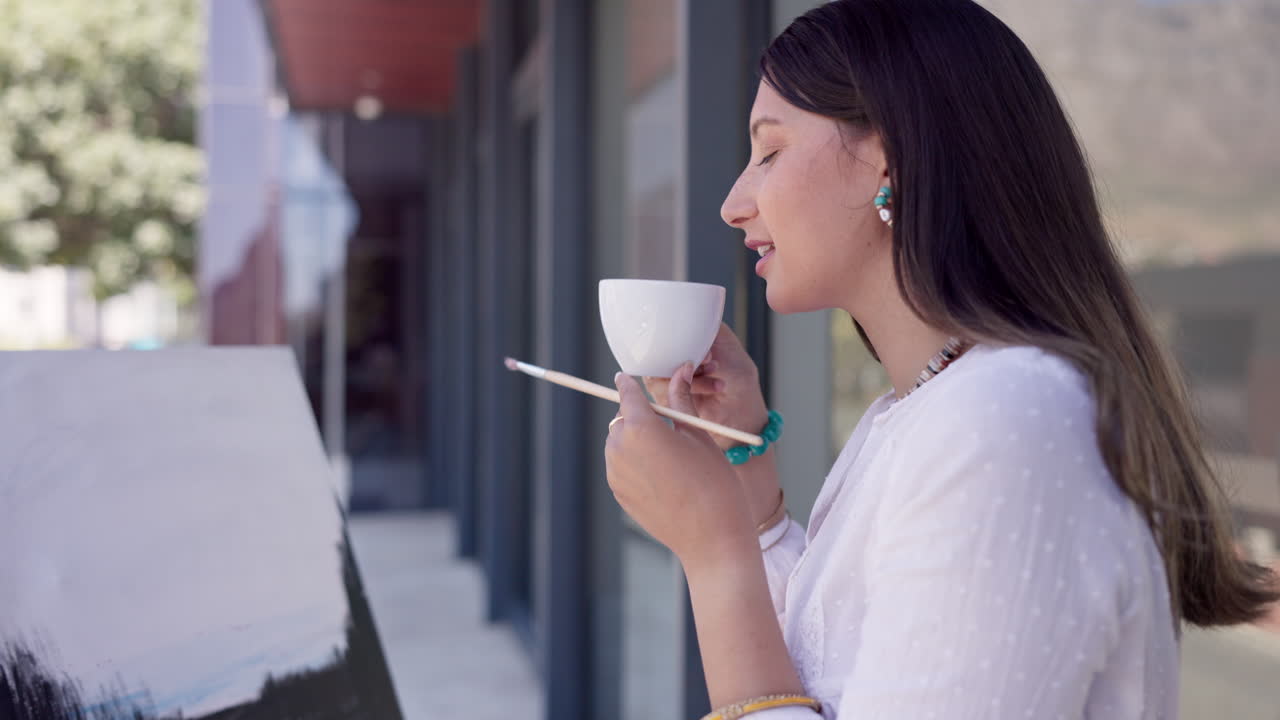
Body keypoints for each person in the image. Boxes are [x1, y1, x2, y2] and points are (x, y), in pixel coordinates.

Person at [602, 1, 1279, 718]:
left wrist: (717, 557)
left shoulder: (1005, 421)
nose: (734, 203)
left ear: (887, 158)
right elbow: (834, 669)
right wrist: (755, 504)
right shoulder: (923, 409)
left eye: (769, 151)